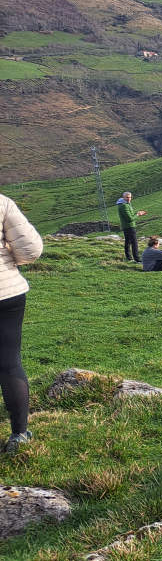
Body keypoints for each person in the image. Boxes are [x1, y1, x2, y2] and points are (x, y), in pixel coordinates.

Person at [0, 193, 43, 455]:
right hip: (6, 291)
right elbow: (30, 249)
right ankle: (19, 435)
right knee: (9, 363)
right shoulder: (2, 202)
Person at [115, 191, 146, 262]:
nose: (129, 199)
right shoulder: (124, 206)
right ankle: (137, 259)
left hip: (127, 226)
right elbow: (130, 219)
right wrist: (138, 214)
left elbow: (130, 216)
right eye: (127, 197)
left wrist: (137, 214)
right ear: (123, 197)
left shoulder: (125, 204)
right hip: (129, 226)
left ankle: (129, 257)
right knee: (134, 242)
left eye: (130, 197)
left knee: (128, 241)